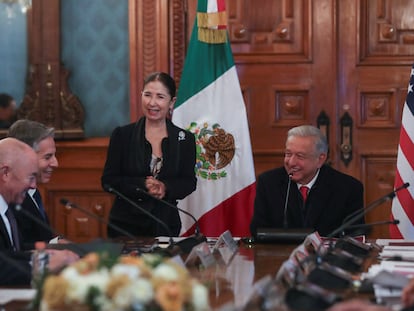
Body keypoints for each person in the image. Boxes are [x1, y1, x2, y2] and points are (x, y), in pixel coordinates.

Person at [101, 72, 197, 238]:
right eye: (147, 95)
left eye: (160, 97)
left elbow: (189, 182)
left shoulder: (185, 139)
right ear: (141, 96)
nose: (152, 103)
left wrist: (164, 187)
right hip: (125, 226)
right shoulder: (122, 135)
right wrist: (142, 185)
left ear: (171, 102)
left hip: (165, 225)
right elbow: (108, 181)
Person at [250, 125, 364, 237]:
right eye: (288, 154)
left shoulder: (348, 188)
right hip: (280, 255)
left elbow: (355, 236)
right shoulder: (268, 183)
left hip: (327, 255)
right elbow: (258, 230)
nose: (291, 162)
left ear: (320, 159)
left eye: (300, 156)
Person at [0, 137, 77, 285]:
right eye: (30, 177)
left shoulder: (7, 208)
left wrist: (47, 254)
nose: (34, 186)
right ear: (6, 173)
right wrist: (44, 265)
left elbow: (10, 254)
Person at [7, 119, 59, 246]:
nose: (56, 163)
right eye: (48, 157)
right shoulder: (10, 198)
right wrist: (53, 245)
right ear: (26, 156)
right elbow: (16, 249)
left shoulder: (32, 191)